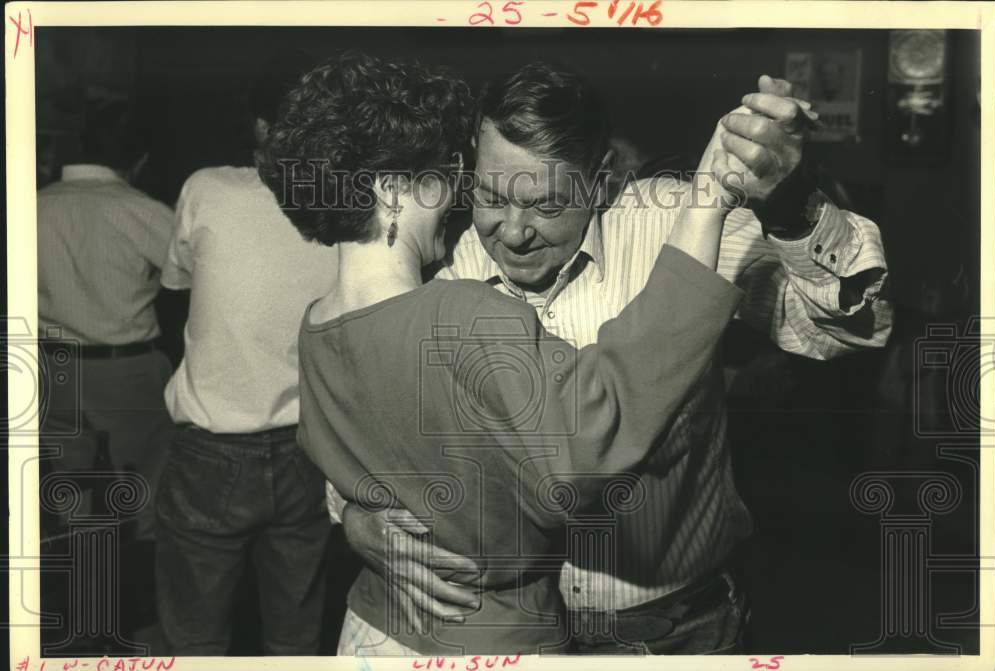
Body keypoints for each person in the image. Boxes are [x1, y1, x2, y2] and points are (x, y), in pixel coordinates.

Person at [332, 62, 894, 654]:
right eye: (491, 196)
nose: (513, 232)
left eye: (547, 205)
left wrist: (788, 205)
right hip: (498, 626)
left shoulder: (677, 222)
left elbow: (850, 331)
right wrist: (352, 510)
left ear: (601, 181)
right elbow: (354, 407)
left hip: (675, 631)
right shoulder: (441, 259)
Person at [258, 51, 749, 656]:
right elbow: (597, 431)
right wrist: (706, 209)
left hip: (371, 627)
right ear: (389, 191)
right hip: (496, 639)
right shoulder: (462, 310)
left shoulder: (316, 327)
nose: (487, 219)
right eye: (445, 178)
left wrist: (363, 515)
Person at [153, 51, 337, 655]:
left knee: (195, 636)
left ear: (261, 128)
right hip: (309, 447)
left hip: (212, 449)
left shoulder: (208, 189)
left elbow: (173, 296)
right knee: (297, 636)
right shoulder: (346, 208)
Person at [37, 100, 175, 541]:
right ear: (138, 162)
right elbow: (191, 276)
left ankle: (82, 594)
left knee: (70, 494)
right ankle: (138, 595)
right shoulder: (143, 211)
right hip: (127, 369)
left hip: (52, 368)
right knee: (146, 493)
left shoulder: (31, 207)